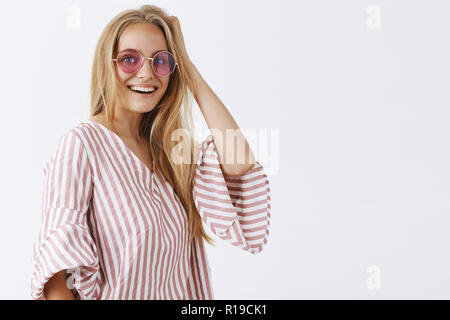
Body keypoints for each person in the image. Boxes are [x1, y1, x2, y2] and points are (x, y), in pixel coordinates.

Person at [31, 4, 271, 300]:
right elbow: (58, 273)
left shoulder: (172, 151)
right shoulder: (83, 144)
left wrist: (189, 71)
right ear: (108, 64)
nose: (146, 73)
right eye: (129, 59)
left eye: (161, 61)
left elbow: (239, 163)